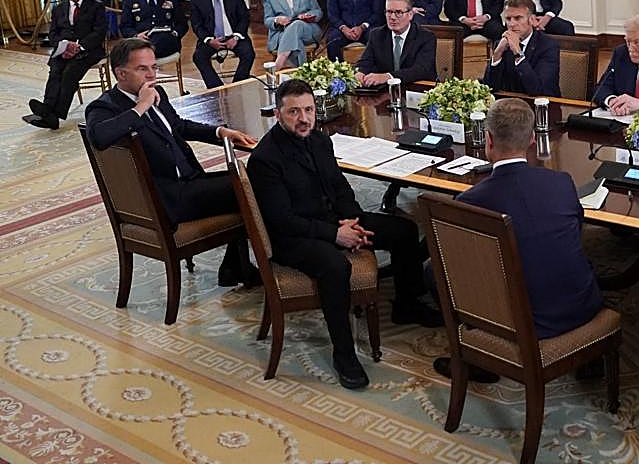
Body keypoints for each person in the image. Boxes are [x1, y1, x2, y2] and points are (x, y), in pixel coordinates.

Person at [247, 79, 441, 390]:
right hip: (296, 237)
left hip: (335, 221)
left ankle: (407, 304)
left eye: (308, 110)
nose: (303, 118)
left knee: (404, 231)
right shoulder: (265, 159)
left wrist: (352, 222)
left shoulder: (321, 140)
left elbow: (339, 188)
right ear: (278, 114)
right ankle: (344, 352)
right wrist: (336, 235)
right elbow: (282, 220)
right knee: (336, 267)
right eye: (294, 111)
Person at [433, 98, 603, 381]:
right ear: (533, 140)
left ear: (488, 140)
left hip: (522, 322)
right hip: (582, 304)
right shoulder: (561, 182)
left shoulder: (470, 202)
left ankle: (480, 360)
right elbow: (576, 232)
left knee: (435, 271)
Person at [84, 37, 258, 286]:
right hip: (167, 197)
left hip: (190, 183)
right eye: (142, 69)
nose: (151, 74)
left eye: (153, 67)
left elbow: (177, 126)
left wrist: (219, 132)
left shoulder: (158, 93)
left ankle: (236, 266)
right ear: (120, 73)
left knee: (251, 178)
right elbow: (99, 137)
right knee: (252, 188)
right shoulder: (104, 108)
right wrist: (141, 106)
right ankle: (250, 264)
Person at [25, 0, 106, 130]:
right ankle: (48, 110)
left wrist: (79, 46)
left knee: (69, 73)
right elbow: (53, 34)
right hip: (64, 50)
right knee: (55, 71)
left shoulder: (96, 6)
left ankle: (52, 114)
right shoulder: (58, 9)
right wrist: (63, 46)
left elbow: (99, 32)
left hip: (88, 50)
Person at [190, 0, 255, 88]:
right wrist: (209, 40)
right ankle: (217, 88)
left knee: (249, 53)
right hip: (211, 38)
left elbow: (244, 18)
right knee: (198, 57)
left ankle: (237, 85)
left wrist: (236, 36)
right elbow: (197, 25)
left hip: (234, 36)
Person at [353, 0, 437, 86]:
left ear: (410, 15)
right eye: (389, 12)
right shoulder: (377, 35)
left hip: (416, 90)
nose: (392, 17)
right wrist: (360, 72)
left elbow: (421, 70)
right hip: (385, 92)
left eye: (398, 12)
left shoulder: (426, 37)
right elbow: (365, 62)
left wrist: (388, 76)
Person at [482, 0, 561, 97]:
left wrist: (518, 53)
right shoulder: (501, 44)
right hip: (509, 105)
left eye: (518, 18)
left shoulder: (548, 46)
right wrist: (497, 54)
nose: (512, 24)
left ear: (532, 20)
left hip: (541, 106)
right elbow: (489, 87)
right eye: (508, 19)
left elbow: (538, 90)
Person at [262, 0, 323, 71]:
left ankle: (280, 61)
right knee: (295, 41)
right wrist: (276, 20)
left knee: (297, 24)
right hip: (282, 32)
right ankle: (303, 71)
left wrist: (308, 15)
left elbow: (318, 11)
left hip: (307, 30)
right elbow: (267, 20)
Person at [119, 0, 187, 59]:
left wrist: (174, 34)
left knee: (160, 41)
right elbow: (125, 27)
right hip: (141, 44)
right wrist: (136, 36)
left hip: (166, 42)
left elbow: (182, 24)